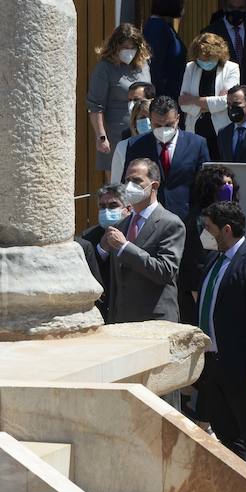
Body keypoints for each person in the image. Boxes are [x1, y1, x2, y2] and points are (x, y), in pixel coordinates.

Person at [192, 201, 246, 471]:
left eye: (209, 228)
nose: (204, 233)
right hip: (214, 364)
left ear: (226, 229)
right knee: (226, 433)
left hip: (243, 368)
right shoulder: (213, 260)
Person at [100, 158, 185, 324]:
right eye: (127, 181)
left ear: (154, 185)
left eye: (137, 180)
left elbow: (165, 271)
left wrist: (125, 246)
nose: (130, 186)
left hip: (156, 321)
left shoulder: (170, 223)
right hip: (123, 321)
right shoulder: (121, 225)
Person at [122, 95, 207, 219]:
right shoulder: (136, 145)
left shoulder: (197, 144)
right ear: (150, 120)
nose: (163, 130)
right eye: (158, 125)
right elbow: (128, 182)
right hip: (147, 218)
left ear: (178, 119)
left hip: (187, 218)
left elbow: (204, 186)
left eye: (169, 124)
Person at [87, 23, 151, 171]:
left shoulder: (143, 65)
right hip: (116, 135)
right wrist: (101, 137)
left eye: (132, 48)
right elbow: (95, 106)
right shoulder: (105, 68)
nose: (128, 52)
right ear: (115, 47)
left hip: (144, 131)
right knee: (117, 183)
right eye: (124, 48)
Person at [180, 165, 238, 327]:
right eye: (222, 184)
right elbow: (195, 262)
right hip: (202, 296)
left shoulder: (231, 217)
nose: (227, 187)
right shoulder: (200, 220)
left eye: (230, 182)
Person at [178, 33, 240, 159]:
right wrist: (212, 104)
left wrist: (193, 100)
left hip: (221, 130)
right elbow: (183, 104)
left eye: (209, 59)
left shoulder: (232, 68)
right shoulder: (190, 68)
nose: (205, 62)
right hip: (196, 128)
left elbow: (227, 101)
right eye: (202, 59)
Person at [77, 184, 127, 318]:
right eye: (102, 206)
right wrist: (102, 250)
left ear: (127, 209)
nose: (107, 210)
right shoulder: (88, 237)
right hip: (102, 309)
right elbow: (85, 273)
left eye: (113, 205)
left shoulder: (135, 232)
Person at [144, 0, 188, 101]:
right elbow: (155, 67)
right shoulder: (157, 27)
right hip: (165, 100)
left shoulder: (165, 26)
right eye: (182, 3)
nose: (184, 7)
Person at [109, 92, 155, 183]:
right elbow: (115, 181)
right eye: (142, 118)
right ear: (134, 122)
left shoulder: (162, 146)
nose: (147, 122)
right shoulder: (123, 146)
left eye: (150, 118)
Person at [203, 0, 246, 64]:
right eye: (232, 8)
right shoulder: (211, 32)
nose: (236, 12)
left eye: (241, 8)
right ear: (225, 7)